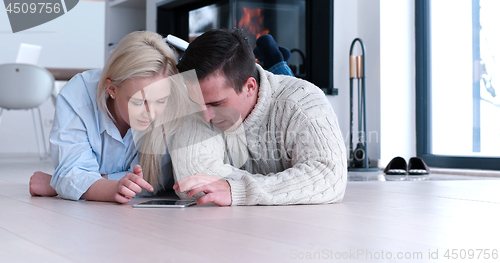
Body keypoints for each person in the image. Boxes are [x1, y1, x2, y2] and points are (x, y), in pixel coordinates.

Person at [170, 28, 347, 206]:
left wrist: (238, 190)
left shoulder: (303, 100)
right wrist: (289, 184)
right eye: (196, 102)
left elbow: (329, 176)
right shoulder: (201, 103)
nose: (205, 116)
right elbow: (190, 180)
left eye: (216, 104)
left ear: (250, 87)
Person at [29, 31, 189, 203]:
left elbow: (160, 178)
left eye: (160, 101)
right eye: (138, 102)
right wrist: (111, 186)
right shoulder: (78, 96)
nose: (151, 113)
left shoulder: (174, 99)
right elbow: (71, 170)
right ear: (111, 89)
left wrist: (62, 185)